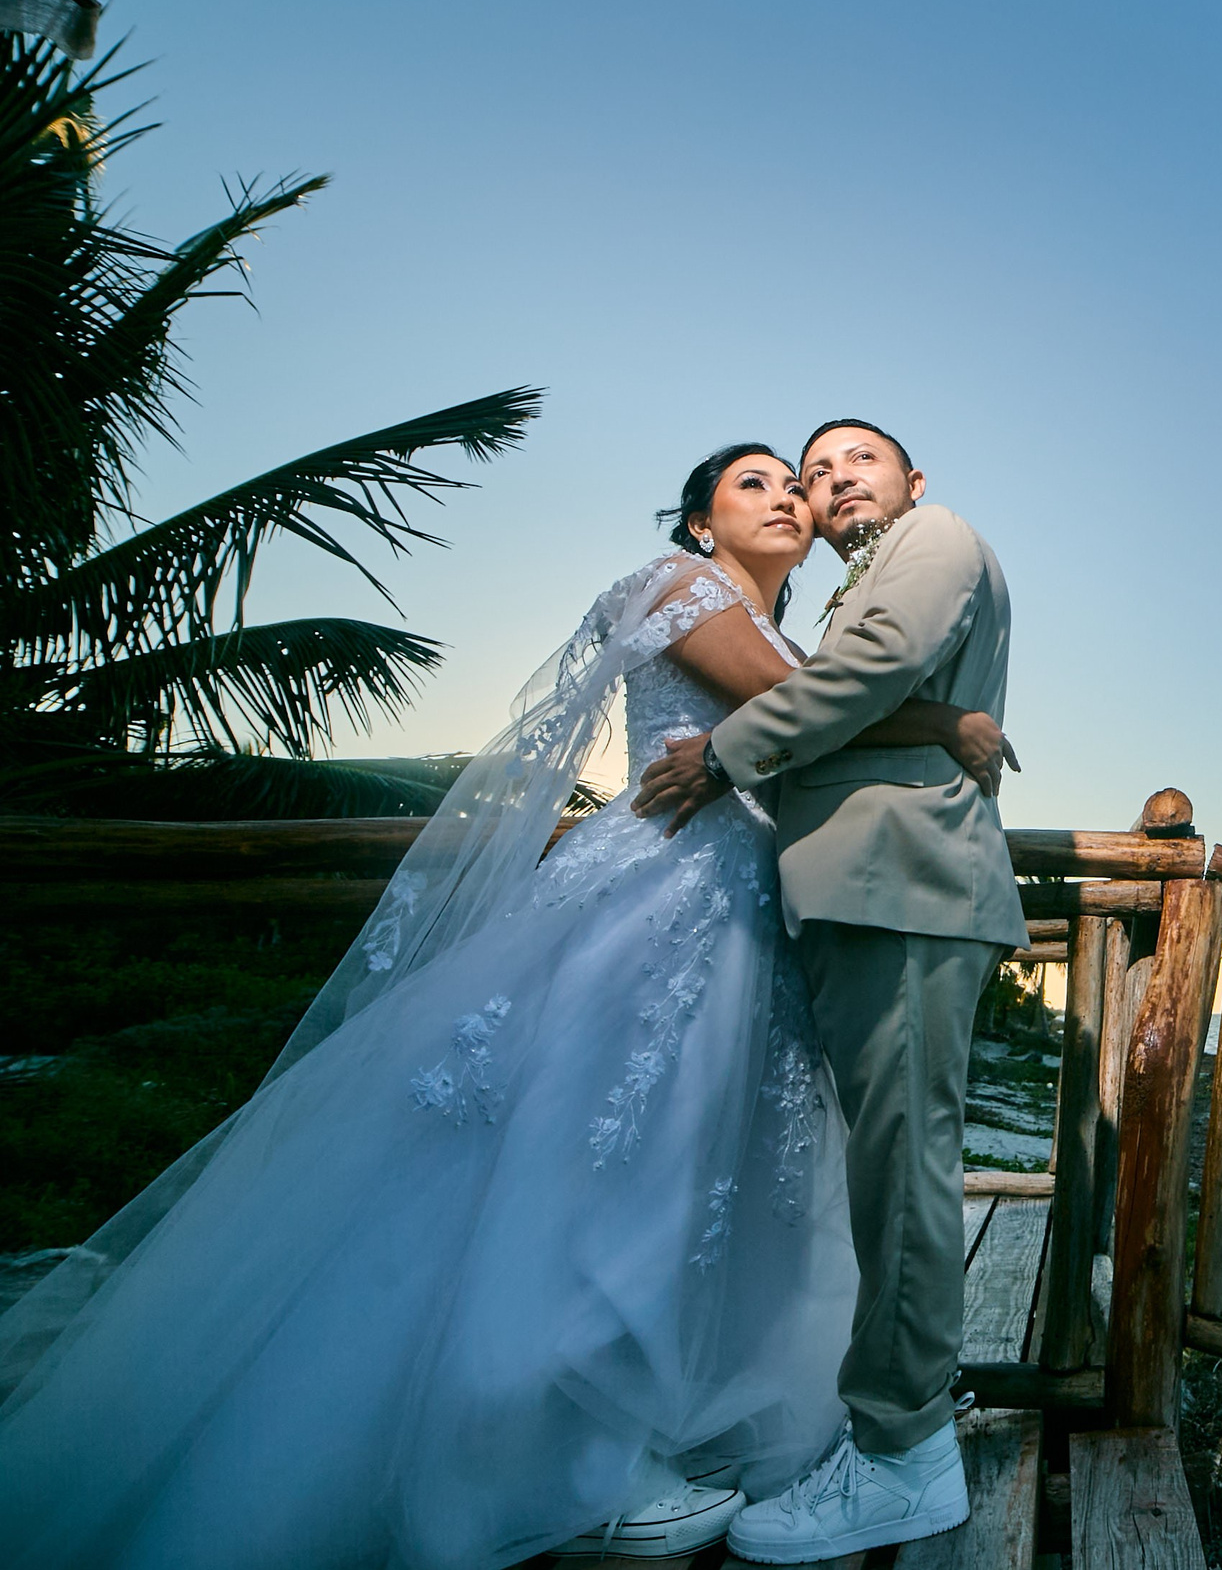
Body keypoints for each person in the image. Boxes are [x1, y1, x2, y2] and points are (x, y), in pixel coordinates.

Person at [0, 443, 1011, 1568]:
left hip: (740, 914)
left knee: (692, 1171)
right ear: (699, 524)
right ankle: (558, 1451)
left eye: (797, 485)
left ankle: (653, 1412)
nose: (788, 496)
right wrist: (942, 723)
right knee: (602, 1160)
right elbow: (796, 707)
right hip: (659, 899)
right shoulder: (677, 584)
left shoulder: (789, 633)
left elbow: (820, 699)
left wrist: (912, 718)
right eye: (755, 483)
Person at [634, 418, 1026, 1563]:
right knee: (884, 1169)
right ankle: (896, 1423)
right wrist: (944, 720)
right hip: (865, 894)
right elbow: (853, 692)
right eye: (815, 472)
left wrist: (719, 756)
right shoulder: (844, 581)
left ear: (913, 479)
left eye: (857, 458)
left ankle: (901, 1453)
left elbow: (865, 673)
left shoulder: (933, 536)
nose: (829, 479)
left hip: (902, 883)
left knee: (901, 1172)